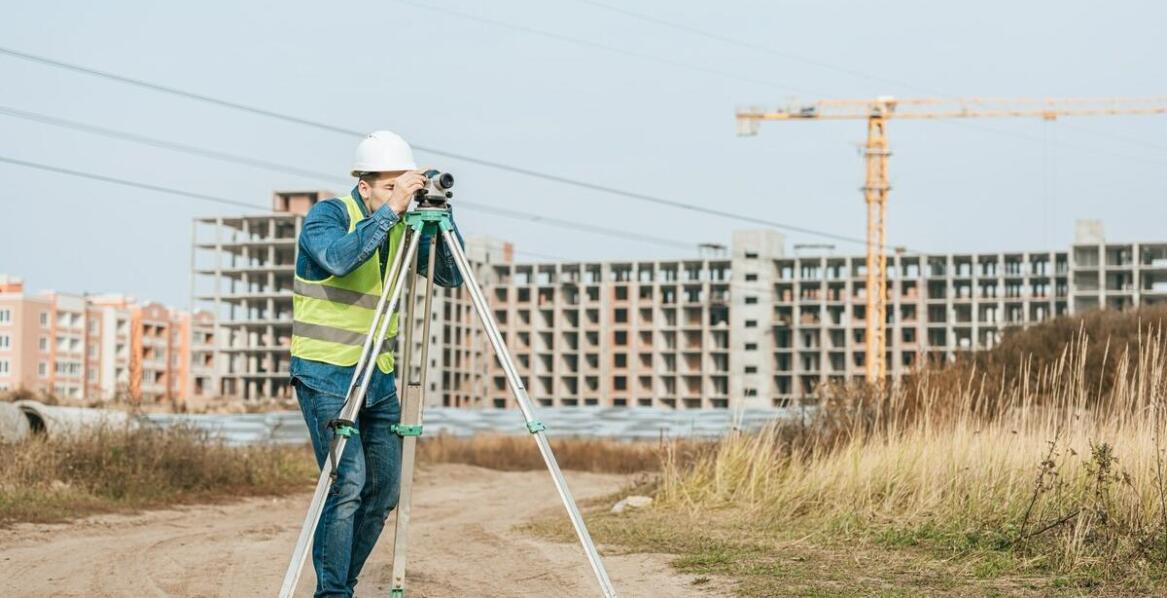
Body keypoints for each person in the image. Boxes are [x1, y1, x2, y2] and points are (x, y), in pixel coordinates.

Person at [290, 130, 464, 597]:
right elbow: (339, 260)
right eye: (390, 186)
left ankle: (339, 586)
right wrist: (391, 214)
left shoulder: (402, 222)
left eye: (402, 184)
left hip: (379, 377)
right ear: (364, 186)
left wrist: (438, 212)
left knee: (383, 492)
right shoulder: (328, 216)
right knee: (347, 486)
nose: (399, 194)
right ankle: (333, 594)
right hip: (326, 373)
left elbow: (449, 275)